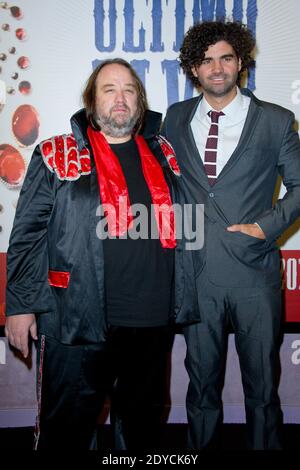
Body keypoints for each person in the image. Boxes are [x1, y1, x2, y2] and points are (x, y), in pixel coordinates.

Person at [4, 58, 196, 450]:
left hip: (150, 321)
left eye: (129, 89)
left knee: (142, 430)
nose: (120, 98)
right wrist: (21, 306)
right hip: (76, 321)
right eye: (109, 89)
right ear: (92, 101)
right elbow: (27, 236)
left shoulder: (164, 153)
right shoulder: (56, 154)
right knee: (68, 432)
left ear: (140, 103)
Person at [162, 21, 300, 450]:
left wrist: (267, 226)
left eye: (225, 58)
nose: (217, 68)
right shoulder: (175, 117)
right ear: (193, 69)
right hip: (196, 274)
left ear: (241, 62)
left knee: (263, 391)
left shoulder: (277, 120)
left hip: (253, 274)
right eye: (206, 60)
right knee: (200, 391)